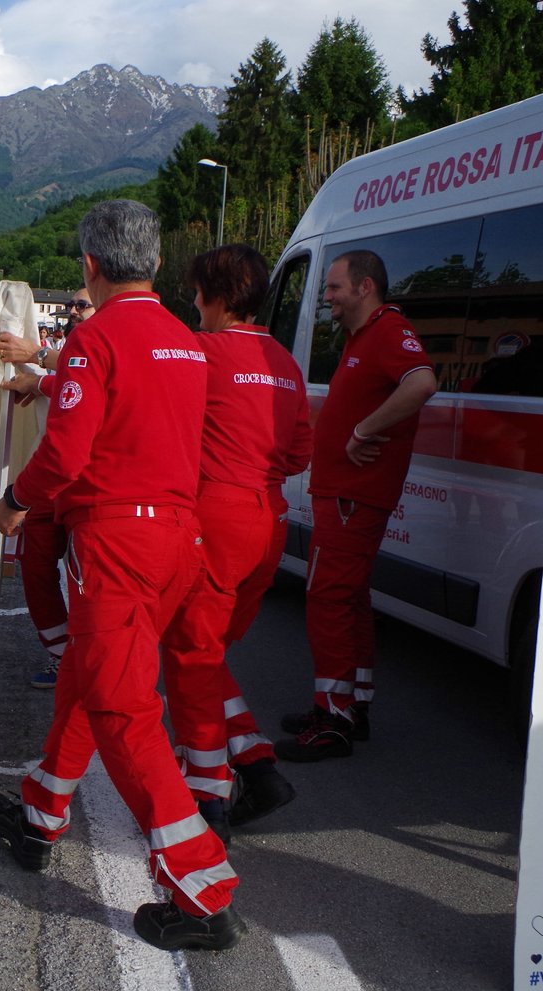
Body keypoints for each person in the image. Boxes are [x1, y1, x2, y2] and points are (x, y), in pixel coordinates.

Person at [0, 200, 243, 952]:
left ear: (89, 267)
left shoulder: (96, 340)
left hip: (117, 542)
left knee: (123, 708)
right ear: (156, 265)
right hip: (176, 540)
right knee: (90, 682)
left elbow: (65, 453)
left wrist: (12, 503)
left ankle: (200, 887)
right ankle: (39, 816)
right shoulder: (189, 343)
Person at [158, 245, 312, 838]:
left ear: (217, 296)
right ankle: (255, 763)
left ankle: (207, 802)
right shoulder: (283, 362)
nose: (194, 304)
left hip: (215, 516)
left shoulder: (200, 352)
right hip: (269, 520)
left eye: (198, 293)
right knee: (208, 651)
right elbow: (300, 451)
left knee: (190, 656)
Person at [276, 250, 436, 761]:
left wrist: (365, 429)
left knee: (327, 598)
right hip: (343, 494)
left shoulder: (388, 330)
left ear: (365, 288)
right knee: (349, 598)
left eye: (334, 288)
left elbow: (422, 381)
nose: (327, 298)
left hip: (353, 497)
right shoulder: (362, 337)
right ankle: (353, 702)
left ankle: (333, 718)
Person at [0, 287, 92, 689]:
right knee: (34, 568)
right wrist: (40, 385)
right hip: (53, 478)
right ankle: (61, 654)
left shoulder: (100, 339)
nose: (73, 310)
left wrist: (36, 361)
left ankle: (84, 658)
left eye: (81, 304)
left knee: (86, 579)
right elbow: (73, 381)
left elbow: (84, 379)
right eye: (71, 303)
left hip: (86, 484)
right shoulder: (75, 343)